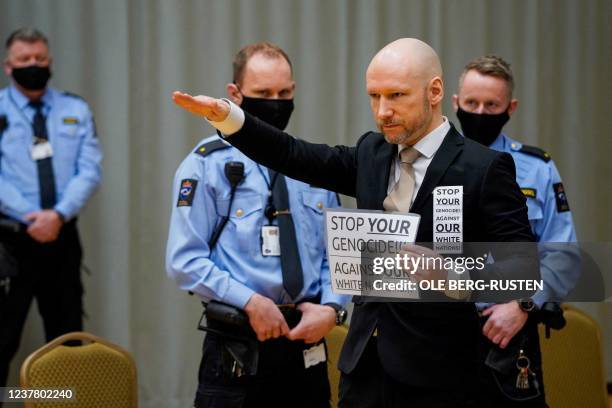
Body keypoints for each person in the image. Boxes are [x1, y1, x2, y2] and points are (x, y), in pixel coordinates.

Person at [172, 38, 548, 407]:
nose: (382, 110)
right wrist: (228, 117)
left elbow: (522, 267)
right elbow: (293, 154)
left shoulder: (484, 167)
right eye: (374, 96)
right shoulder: (372, 152)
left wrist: (453, 275)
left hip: (441, 374)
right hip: (365, 369)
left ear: (434, 92)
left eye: (396, 96)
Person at [166, 42, 348, 408]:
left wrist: (332, 307)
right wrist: (249, 301)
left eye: (284, 93)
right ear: (235, 94)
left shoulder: (311, 167)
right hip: (238, 347)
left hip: (305, 346)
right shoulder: (205, 166)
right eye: (263, 94)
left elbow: (336, 253)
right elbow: (184, 261)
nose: (275, 102)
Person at [0, 28, 102, 389]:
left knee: (67, 343)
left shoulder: (74, 109)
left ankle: (60, 402)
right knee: (3, 340)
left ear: (50, 62)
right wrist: (31, 216)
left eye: (40, 59)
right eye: (25, 60)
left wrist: (56, 216)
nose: (33, 65)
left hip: (61, 237)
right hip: (11, 241)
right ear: (8, 66)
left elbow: (89, 170)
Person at [452, 55, 579, 346]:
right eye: (471, 104)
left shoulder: (537, 168)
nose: (480, 113)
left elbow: (563, 253)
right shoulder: (429, 163)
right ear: (456, 102)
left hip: (508, 330)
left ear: (511, 108)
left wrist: (525, 303)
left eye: (492, 105)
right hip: (436, 332)